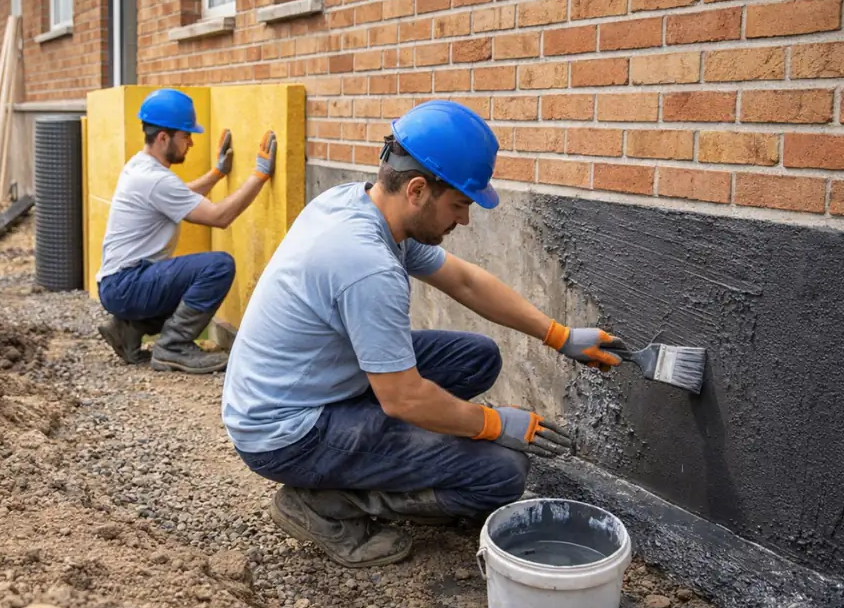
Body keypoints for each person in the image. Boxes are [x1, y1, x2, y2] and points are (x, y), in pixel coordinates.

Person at [220, 100, 626, 568]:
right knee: (502, 472)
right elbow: (404, 400)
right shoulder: (367, 265)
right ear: (417, 190)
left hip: (310, 388)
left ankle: (378, 457)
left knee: (476, 357)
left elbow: (464, 281)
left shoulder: (357, 204)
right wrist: (494, 424)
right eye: (460, 204)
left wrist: (558, 334)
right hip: (286, 433)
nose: (464, 220)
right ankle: (327, 504)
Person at [95, 88, 278, 374]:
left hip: (119, 284)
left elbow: (180, 196)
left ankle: (127, 329)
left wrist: (217, 173)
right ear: (163, 138)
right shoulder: (155, 179)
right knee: (217, 267)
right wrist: (260, 175)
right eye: (186, 136)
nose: (190, 142)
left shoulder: (140, 167)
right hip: (127, 285)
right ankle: (174, 347)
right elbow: (219, 216)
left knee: (185, 282)